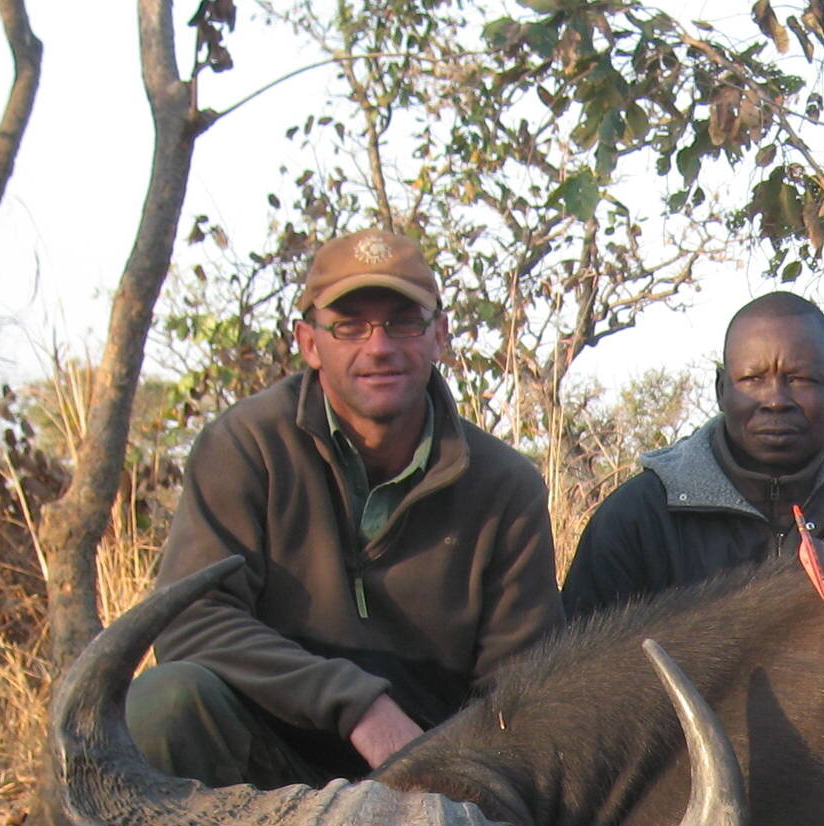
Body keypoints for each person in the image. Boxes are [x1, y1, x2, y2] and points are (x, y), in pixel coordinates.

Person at [136, 228, 559, 785]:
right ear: (309, 342)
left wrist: (442, 781)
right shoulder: (245, 445)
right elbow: (190, 623)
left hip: (430, 786)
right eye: (349, 325)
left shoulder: (508, 485)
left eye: (404, 322)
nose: (378, 347)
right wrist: (359, 705)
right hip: (268, 767)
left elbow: (521, 692)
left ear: (440, 336)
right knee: (163, 703)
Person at [562, 291, 824, 619]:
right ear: (721, 389)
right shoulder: (638, 519)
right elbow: (582, 668)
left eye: (799, 379)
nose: (776, 400)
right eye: (752, 379)